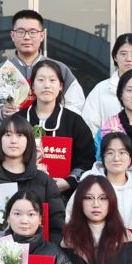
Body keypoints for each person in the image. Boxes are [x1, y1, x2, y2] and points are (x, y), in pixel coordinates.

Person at [28, 58, 95, 225]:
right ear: (32, 86)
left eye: (52, 80)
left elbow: (87, 160)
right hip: (24, 198)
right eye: (41, 80)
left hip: (66, 198)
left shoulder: (74, 122)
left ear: (61, 86)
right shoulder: (19, 120)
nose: (46, 85)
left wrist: (68, 182)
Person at [0, 116, 52, 222]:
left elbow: (56, 221)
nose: (13, 141)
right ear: (0, 140)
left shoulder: (44, 181)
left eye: (20, 135)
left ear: (29, 140)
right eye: (8, 135)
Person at [7, 8, 86, 107]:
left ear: (42, 35)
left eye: (32, 32)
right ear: (12, 35)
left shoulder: (60, 69)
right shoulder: (0, 71)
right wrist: (1, 111)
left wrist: (55, 113)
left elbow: (77, 105)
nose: (26, 37)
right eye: (20, 32)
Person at [93, 131, 132, 241]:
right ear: (103, 157)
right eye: (110, 153)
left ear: (130, 158)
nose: (116, 158)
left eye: (122, 152)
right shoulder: (89, 187)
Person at [81, 32, 132, 129]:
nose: (129, 59)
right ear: (115, 57)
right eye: (123, 54)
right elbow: (89, 126)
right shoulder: (100, 90)